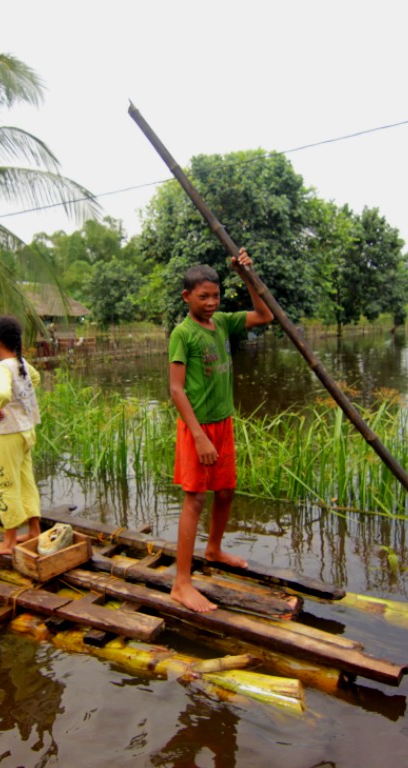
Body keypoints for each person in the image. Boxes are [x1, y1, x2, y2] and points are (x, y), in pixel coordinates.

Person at [168, 249, 273, 612]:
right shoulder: (183, 334)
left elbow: (265, 314)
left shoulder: (224, 323)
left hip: (223, 422)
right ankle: (181, 584)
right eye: (203, 297)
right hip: (197, 428)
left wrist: (246, 274)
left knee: (226, 491)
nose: (212, 303)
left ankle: (212, 549)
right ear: (187, 298)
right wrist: (198, 436)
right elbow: (176, 390)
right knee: (195, 498)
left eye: (215, 295)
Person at [0, 314, 43, 556]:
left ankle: (9, 541)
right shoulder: (20, 363)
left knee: (2, 482)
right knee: (25, 480)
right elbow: (35, 379)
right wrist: (20, 399)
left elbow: (4, 393)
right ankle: (34, 529)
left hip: (8, 432)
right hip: (26, 430)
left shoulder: (1, 367)